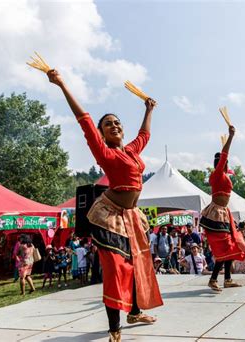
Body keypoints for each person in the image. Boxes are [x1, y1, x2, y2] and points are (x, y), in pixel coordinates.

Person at [47, 69, 162, 341]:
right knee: (115, 268)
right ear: (101, 133)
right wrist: (62, 84)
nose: (114, 125)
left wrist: (148, 109)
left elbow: (144, 134)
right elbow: (84, 119)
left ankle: (134, 312)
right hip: (108, 215)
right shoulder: (104, 152)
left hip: (131, 216)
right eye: (108, 124)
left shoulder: (132, 150)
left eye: (117, 122)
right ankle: (114, 328)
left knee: (135, 265)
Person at [199, 124, 245, 292]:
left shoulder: (223, 175)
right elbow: (225, 154)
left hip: (223, 213)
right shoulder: (218, 174)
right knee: (225, 247)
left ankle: (227, 279)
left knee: (232, 245)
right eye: (224, 162)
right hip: (217, 213)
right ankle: (213, 279)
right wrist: (231, 137)